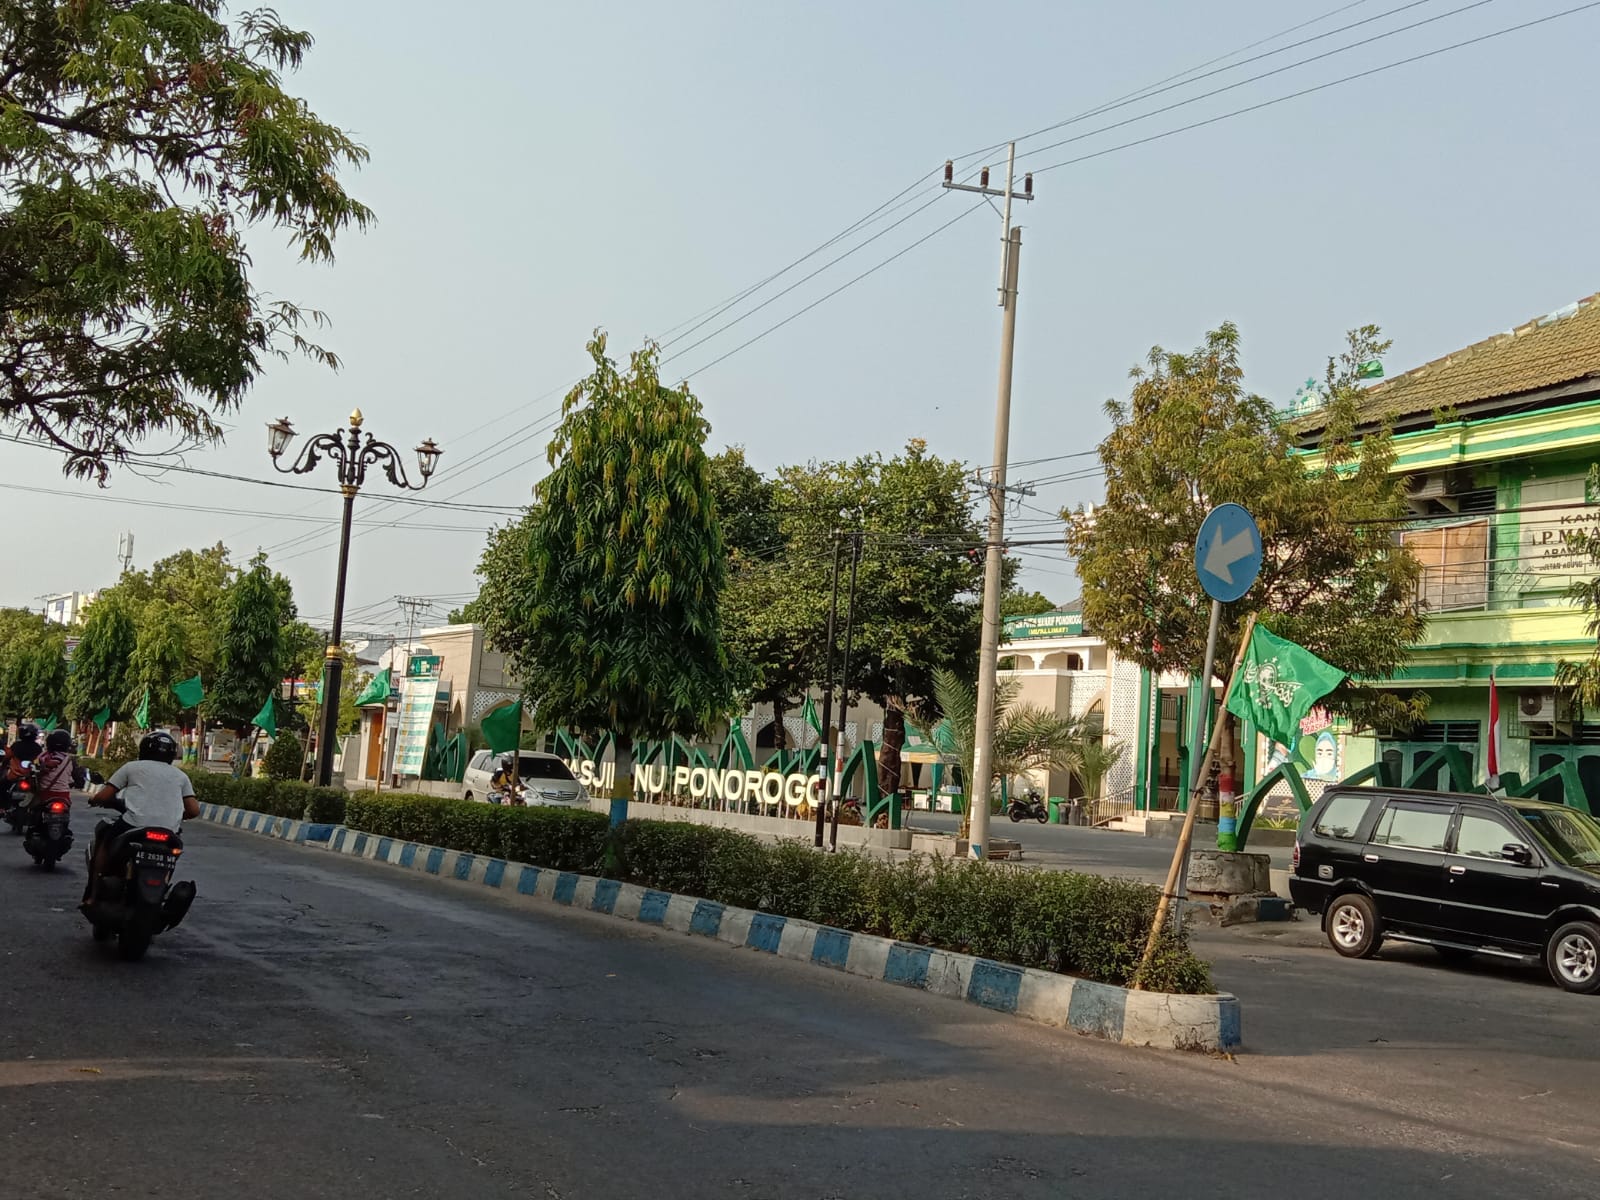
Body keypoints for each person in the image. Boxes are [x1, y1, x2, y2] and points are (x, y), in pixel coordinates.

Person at [82, 730, 199, 904]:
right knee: (170, 860)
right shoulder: (180, 775)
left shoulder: (131, 767)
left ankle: (94, 893)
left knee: (105, 841)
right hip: (169, 831)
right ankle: (163, 889)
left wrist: (95, 800)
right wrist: (173, 817)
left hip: (133, 824)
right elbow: (193, 810)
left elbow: (105, 796)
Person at [27, 729, 84, 813]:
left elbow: (33, 770)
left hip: (44, 795)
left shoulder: (42, 757)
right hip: (63, 796)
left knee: (31, 812)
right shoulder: (70, 760)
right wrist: (80, 784)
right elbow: (78, 777)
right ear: (67, 744)